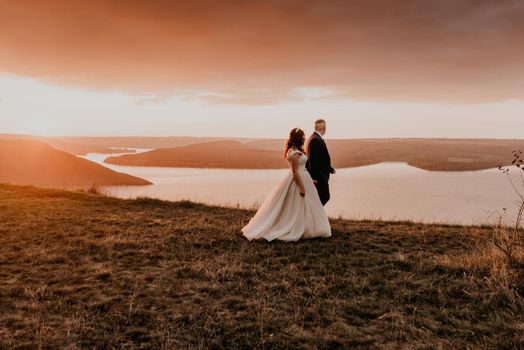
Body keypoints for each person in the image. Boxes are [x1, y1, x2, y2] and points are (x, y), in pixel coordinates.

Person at [241, 128, 331, 242]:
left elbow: (301, 170)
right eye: (303, 138)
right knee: (297, 205)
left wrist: (309, 180)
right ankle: (298, 227)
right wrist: (302, 187)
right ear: (300, 139)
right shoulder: (294, 153)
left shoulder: (294, 150)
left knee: (306, 204)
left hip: (304, 178)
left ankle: (306, 226)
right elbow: (295, 172)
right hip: (298, 180)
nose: (304, 139)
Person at [306, 119, 335, 205]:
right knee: (324, 197)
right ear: (324, 128)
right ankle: (313, 214)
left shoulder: (315, 137)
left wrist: (330, 169)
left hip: (320, 175)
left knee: (321, 198)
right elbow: (313, 160)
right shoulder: (315, 139)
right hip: (319, 177)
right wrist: (314, 177)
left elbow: (320, 158)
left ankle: (315, 215)